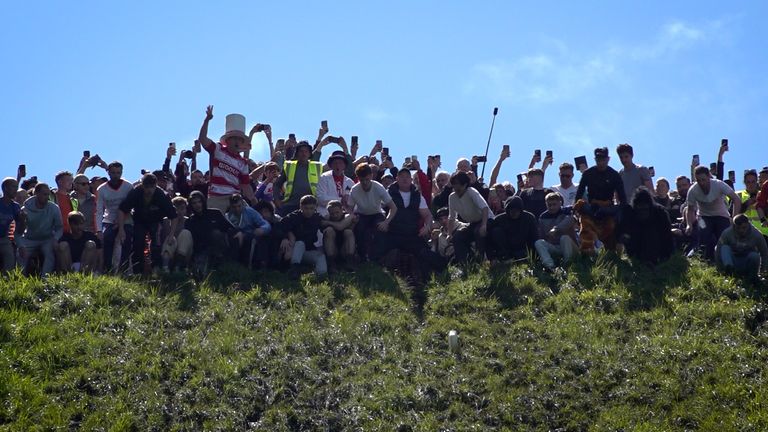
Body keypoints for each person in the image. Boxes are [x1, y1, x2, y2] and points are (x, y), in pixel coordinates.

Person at [373, 168, 446, 277]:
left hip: (411, 234)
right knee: (378, 253)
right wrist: (384, 222)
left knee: (425, 254)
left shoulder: (417, 196)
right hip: (392, 233)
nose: (405, 179)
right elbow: (378, 210)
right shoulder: (388, 193)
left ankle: (446, 269)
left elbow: (428, 215)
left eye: (407, 177)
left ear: (411, 179)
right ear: (396, 179)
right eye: (402, 177)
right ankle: (372, 272)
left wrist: (426, 227)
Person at [197, 106, 257, 212]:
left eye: (240, 139)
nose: (237, 141)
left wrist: (253, 199)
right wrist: (207, 120)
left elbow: (245, 185)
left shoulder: (243, 163)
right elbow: (202, 139)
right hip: (216, 198)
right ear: (228, 140)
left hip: (234, 199)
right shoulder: (218, 149)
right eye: (234, 138)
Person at [118, 174, 178, 276]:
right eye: (146, 187)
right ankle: (138, 272)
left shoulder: (162, 195)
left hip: (156, 221)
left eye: (152, 187)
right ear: (142, 185)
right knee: (138, 244)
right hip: (139, 221)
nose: (149, 190)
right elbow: (122, 210)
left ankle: (156, 270)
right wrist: (121, 229)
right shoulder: (136, 192)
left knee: (156, 244)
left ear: (156, 185)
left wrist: (171, 234)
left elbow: (174, 216)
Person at [574, 147, 627, 252]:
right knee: (585, 223)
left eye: (603, 160)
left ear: (608, 159)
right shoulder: (588, 173)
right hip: (591, 209)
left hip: (607, 210)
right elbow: (579, 195)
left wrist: (617, 210)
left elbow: (622, 198)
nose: (601, 162)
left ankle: (611, 251)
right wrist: (577, 209)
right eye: (598, 160)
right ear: (595, 160)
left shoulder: (614, 175)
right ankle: (587, 252)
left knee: (612, 225)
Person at [685, 166, 741, 260]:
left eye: (704, 179)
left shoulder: (718, 185)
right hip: (703, 217)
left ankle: (728, 263)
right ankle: (702, 262)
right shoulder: (693, 190)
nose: (701, 183)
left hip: (721, 216)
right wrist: (689, 224)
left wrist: (734, 218)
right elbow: (690, 209)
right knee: (703, 238)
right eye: (699, 180)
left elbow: (736, 199)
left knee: (725, 239)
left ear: (709, 177)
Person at [347, 163, 398, 261]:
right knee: (359, 228)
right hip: (361, 214)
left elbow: (393, 208)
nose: (365, 183)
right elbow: (349, 207)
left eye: (367, 179)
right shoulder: (354, 190)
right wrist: (352, 216)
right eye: (362, 180)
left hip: (376, 214)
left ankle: (378, 258)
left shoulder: (378, 187)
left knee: (381, 228)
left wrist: (386, 222)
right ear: (358, 178)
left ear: (371, 176)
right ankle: (362, 257)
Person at [182, 191, 237, 273]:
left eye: (199, 202)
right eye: (194, 203)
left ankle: (225, 263)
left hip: (220, 249)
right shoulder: (189, 221)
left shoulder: (215, 213)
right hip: (202, 251)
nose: (197, 205)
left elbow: (230, 228)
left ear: (203, 202)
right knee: (199, 273)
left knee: (216, 234)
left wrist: (238, 233)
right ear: (191, 205)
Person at [617, 187, 675, 265]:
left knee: (651, 231)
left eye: (645, 209)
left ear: (650, 206)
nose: (643, 213)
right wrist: (624, 236)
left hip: (656, 249)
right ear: (635, 207)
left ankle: (651, 260)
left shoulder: (660, 212)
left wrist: (665, 255)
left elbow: (667, 236)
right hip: (636, 249)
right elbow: (621, 232)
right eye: (640, 209)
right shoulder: (629, 211)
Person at [96, 161, 134, 273]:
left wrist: (121, 221)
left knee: (127, 238)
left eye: (118, 172)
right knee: (108, 238)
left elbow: (131, 206)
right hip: (109, 219)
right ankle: (108, 270)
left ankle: (124, 269)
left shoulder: (128, 186)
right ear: (108, 173)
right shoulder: (102, 189)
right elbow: (98, 211)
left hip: (126, 218)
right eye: (113, 172)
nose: (116, 175)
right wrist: (99, 230)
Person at [18, 183, 63, 276]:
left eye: (48, 194)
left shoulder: (54, 208)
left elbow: (59, 227)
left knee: (49, 254)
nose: (47, 197)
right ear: (36, 194)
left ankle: (45, 280)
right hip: (29, 239)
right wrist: (21, 245)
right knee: (20, 255)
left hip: (47, 239)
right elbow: (18, 231)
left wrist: (56, 239)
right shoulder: (25, 209)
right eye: (44, 194)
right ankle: (19, 280)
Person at [448, 171, 490, 263]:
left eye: (459, 185)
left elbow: (484, 208)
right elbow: (451, 217)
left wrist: (484, 225)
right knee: (457, 236)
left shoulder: (471, 192)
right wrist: (449, 234)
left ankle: (482, 261)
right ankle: (465, 264)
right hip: (472, 224)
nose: (456, 188)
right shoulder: (452, 197)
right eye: (454, 185)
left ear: (465, 184)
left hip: (486, 220)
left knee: (478, 232)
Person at [280, 195, 327, 277]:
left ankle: (319, 276)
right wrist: (284, 238)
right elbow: (278, 227)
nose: (309, 211)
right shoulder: (293, 216)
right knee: (300, 243)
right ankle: (294, 270)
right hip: (293, 250)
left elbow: (326, 227)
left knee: (321, 257)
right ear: (301, 207)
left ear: (315, 207)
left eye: (311, 208)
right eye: (306, 208)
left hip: (307, 250)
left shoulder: (317, 217)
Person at [274, 140, 324, 216]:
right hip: (290, 204)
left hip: (310, 206)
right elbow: (277, 184)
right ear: (296, 153)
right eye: (301, 151)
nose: (304, 153)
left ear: (309, 153)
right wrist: (277, 200)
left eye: (306, 151)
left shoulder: (317, 166)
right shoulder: (289, 166)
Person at [716, 214, 767, 281]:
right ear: (734, 226)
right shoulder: (727, 233)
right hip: (733, 261)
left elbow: (764, 253)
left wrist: (762, 271)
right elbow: (718, 250)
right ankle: (728, 273)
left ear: (748, 225)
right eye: (738, 228)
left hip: (747, 261)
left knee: (755, 256)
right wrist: (720, 269)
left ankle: (752, 278)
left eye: (744, 227)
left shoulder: (756, 234)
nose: (741, 230)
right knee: (724, 248)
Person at [534, 192, 578, 270]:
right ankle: (550, 266)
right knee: (539, 242)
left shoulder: (567, 211)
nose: (552, 207)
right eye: (549, 205)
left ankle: (568, 264)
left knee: (564, 238)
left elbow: (570, 221)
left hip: (571, 246)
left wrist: (556, 229)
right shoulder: (543, 217)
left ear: (560, 203)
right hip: (555, 247)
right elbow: (542, 235)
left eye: (554, 204)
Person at [487, 196, 538, 261]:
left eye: (516, 210)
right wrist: (492, 257)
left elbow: (535, 237)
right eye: (512, 210)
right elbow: (488, 235)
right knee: (495, 231)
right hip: (507, 249)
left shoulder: (529, 218)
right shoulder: (499, 219)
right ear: (507, 210)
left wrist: (533, 253)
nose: (514, 213)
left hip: (523, 249)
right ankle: (504, 256)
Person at [226, 193, 271, 267]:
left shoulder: (250, 212)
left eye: (239, 206)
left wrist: (262, 229)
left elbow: (266, 225)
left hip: (250, 235)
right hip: (235, 236)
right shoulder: (228, 214)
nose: (237, 209)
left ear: (242, 204)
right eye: (234, 207)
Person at [316, 150, 355, 217]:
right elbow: (321, 198)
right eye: (335, 163)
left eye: (340, 163)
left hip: (344, 214)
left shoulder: (350, 182)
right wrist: (340, 200)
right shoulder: (324, 177)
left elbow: (353, 202)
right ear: (331, 165)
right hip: (326, 213)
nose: (337, 165)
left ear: (344, 165)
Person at [321, 200, 356, 272]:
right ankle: (331, 263)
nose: (335, 215)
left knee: (348, 232)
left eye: (337, 212)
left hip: (345, 249)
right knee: (329, 231)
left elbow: (340, 226)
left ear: (342, 209)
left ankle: (350, 262)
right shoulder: (326, 218)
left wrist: (328, 223)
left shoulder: (348, 216)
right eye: (332, 213)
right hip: (333, 249)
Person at [1, 177, 24, 271]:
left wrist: (23, 220)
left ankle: (6, 283)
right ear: (5, 188)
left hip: (4, 239)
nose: (16, 190)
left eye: (17, 187)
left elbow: (20, 230)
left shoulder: (15, 206)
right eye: (13, 187)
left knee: (10, 258)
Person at [736, 169, 768, 239]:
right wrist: (746, 204)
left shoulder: (763, 194)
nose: (751, 185)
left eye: (753, 182)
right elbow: (733, 214)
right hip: (744, 234)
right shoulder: (738, 195)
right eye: (748, 182)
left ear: (757, 182)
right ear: (744, 182)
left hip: (764, 234)